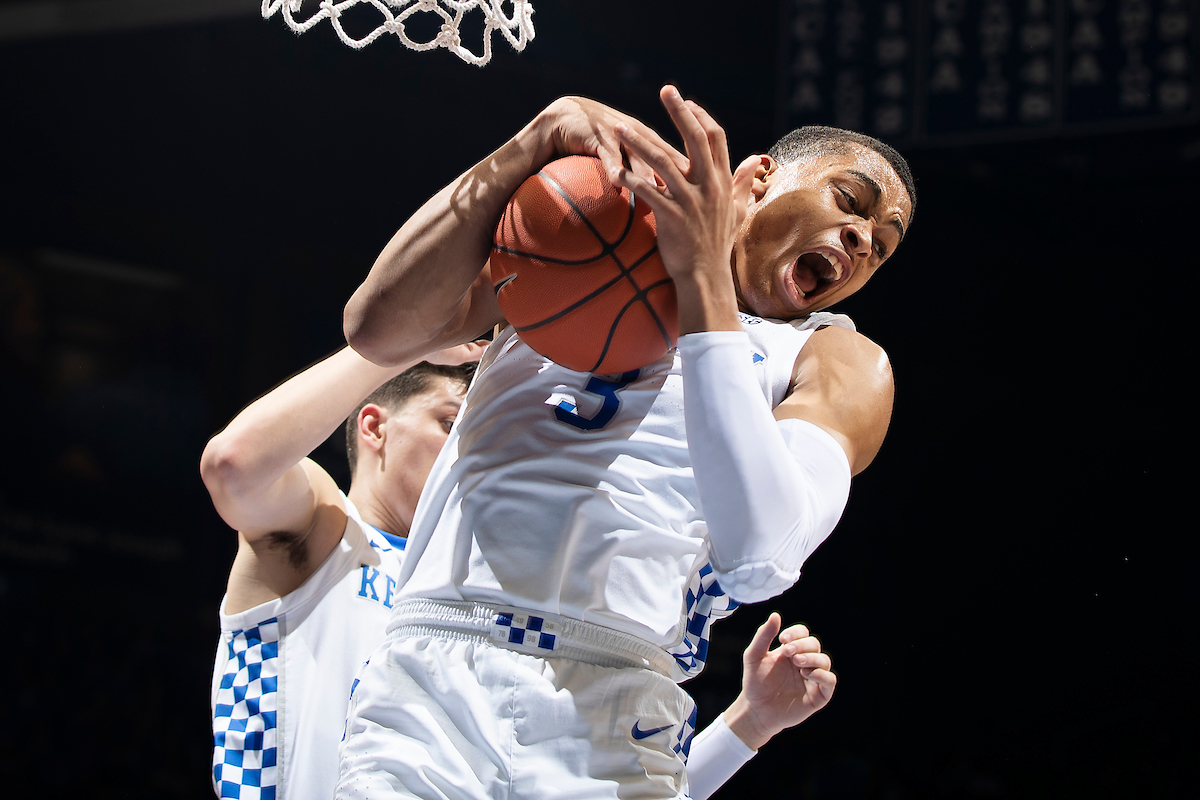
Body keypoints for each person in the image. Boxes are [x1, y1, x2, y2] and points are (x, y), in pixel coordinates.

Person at [335, 86, 914, 798]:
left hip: (615, 698)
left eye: (882, 247)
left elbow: (761, 556)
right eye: (849, 201)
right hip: (435, 663)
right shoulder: (601, 226)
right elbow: (375, 327)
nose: (862, 241)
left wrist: (702, 281)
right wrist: (535, 140)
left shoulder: (839, 361)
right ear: (759, 178)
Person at [202, 344, 839, 800]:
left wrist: (749, 723)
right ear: (375, 427)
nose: (464, 445)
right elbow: (233, 465)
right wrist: (401, 346)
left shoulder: (493, 590)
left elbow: (594, 777)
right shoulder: (326, 528)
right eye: (450, 423)